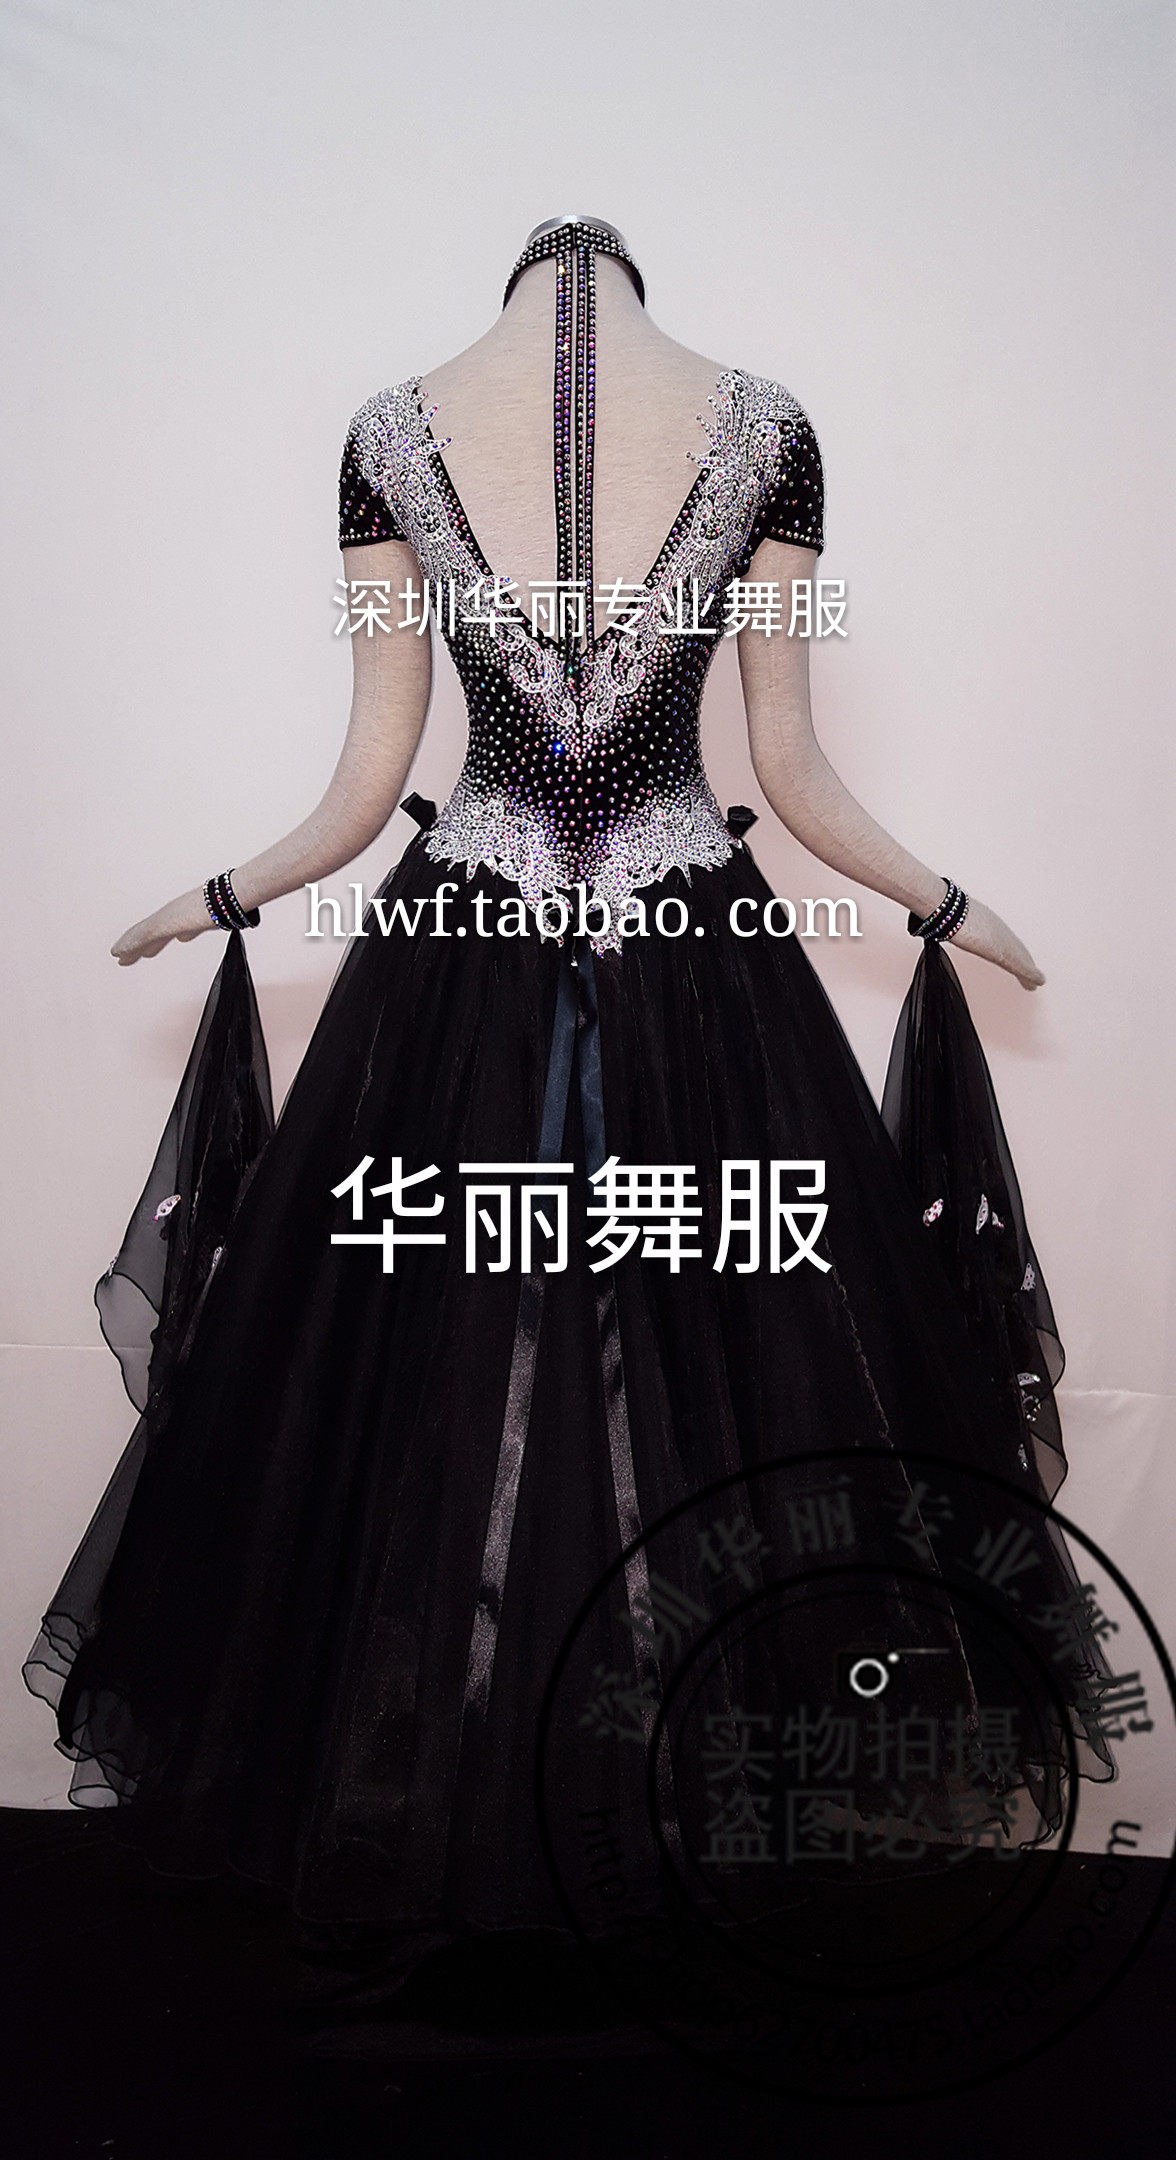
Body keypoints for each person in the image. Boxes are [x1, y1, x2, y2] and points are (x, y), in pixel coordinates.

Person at [23, 219, 1110, 1976]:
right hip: (681, 952)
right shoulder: (759, 427)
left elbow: (383, 773)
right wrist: (224, 895)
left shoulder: (396, 432)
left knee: (475, 1356)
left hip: (471, 948)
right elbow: (780, 765)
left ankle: (504, 1798)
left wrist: (944, 905)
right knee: (681, 1355)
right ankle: (621, 1809)